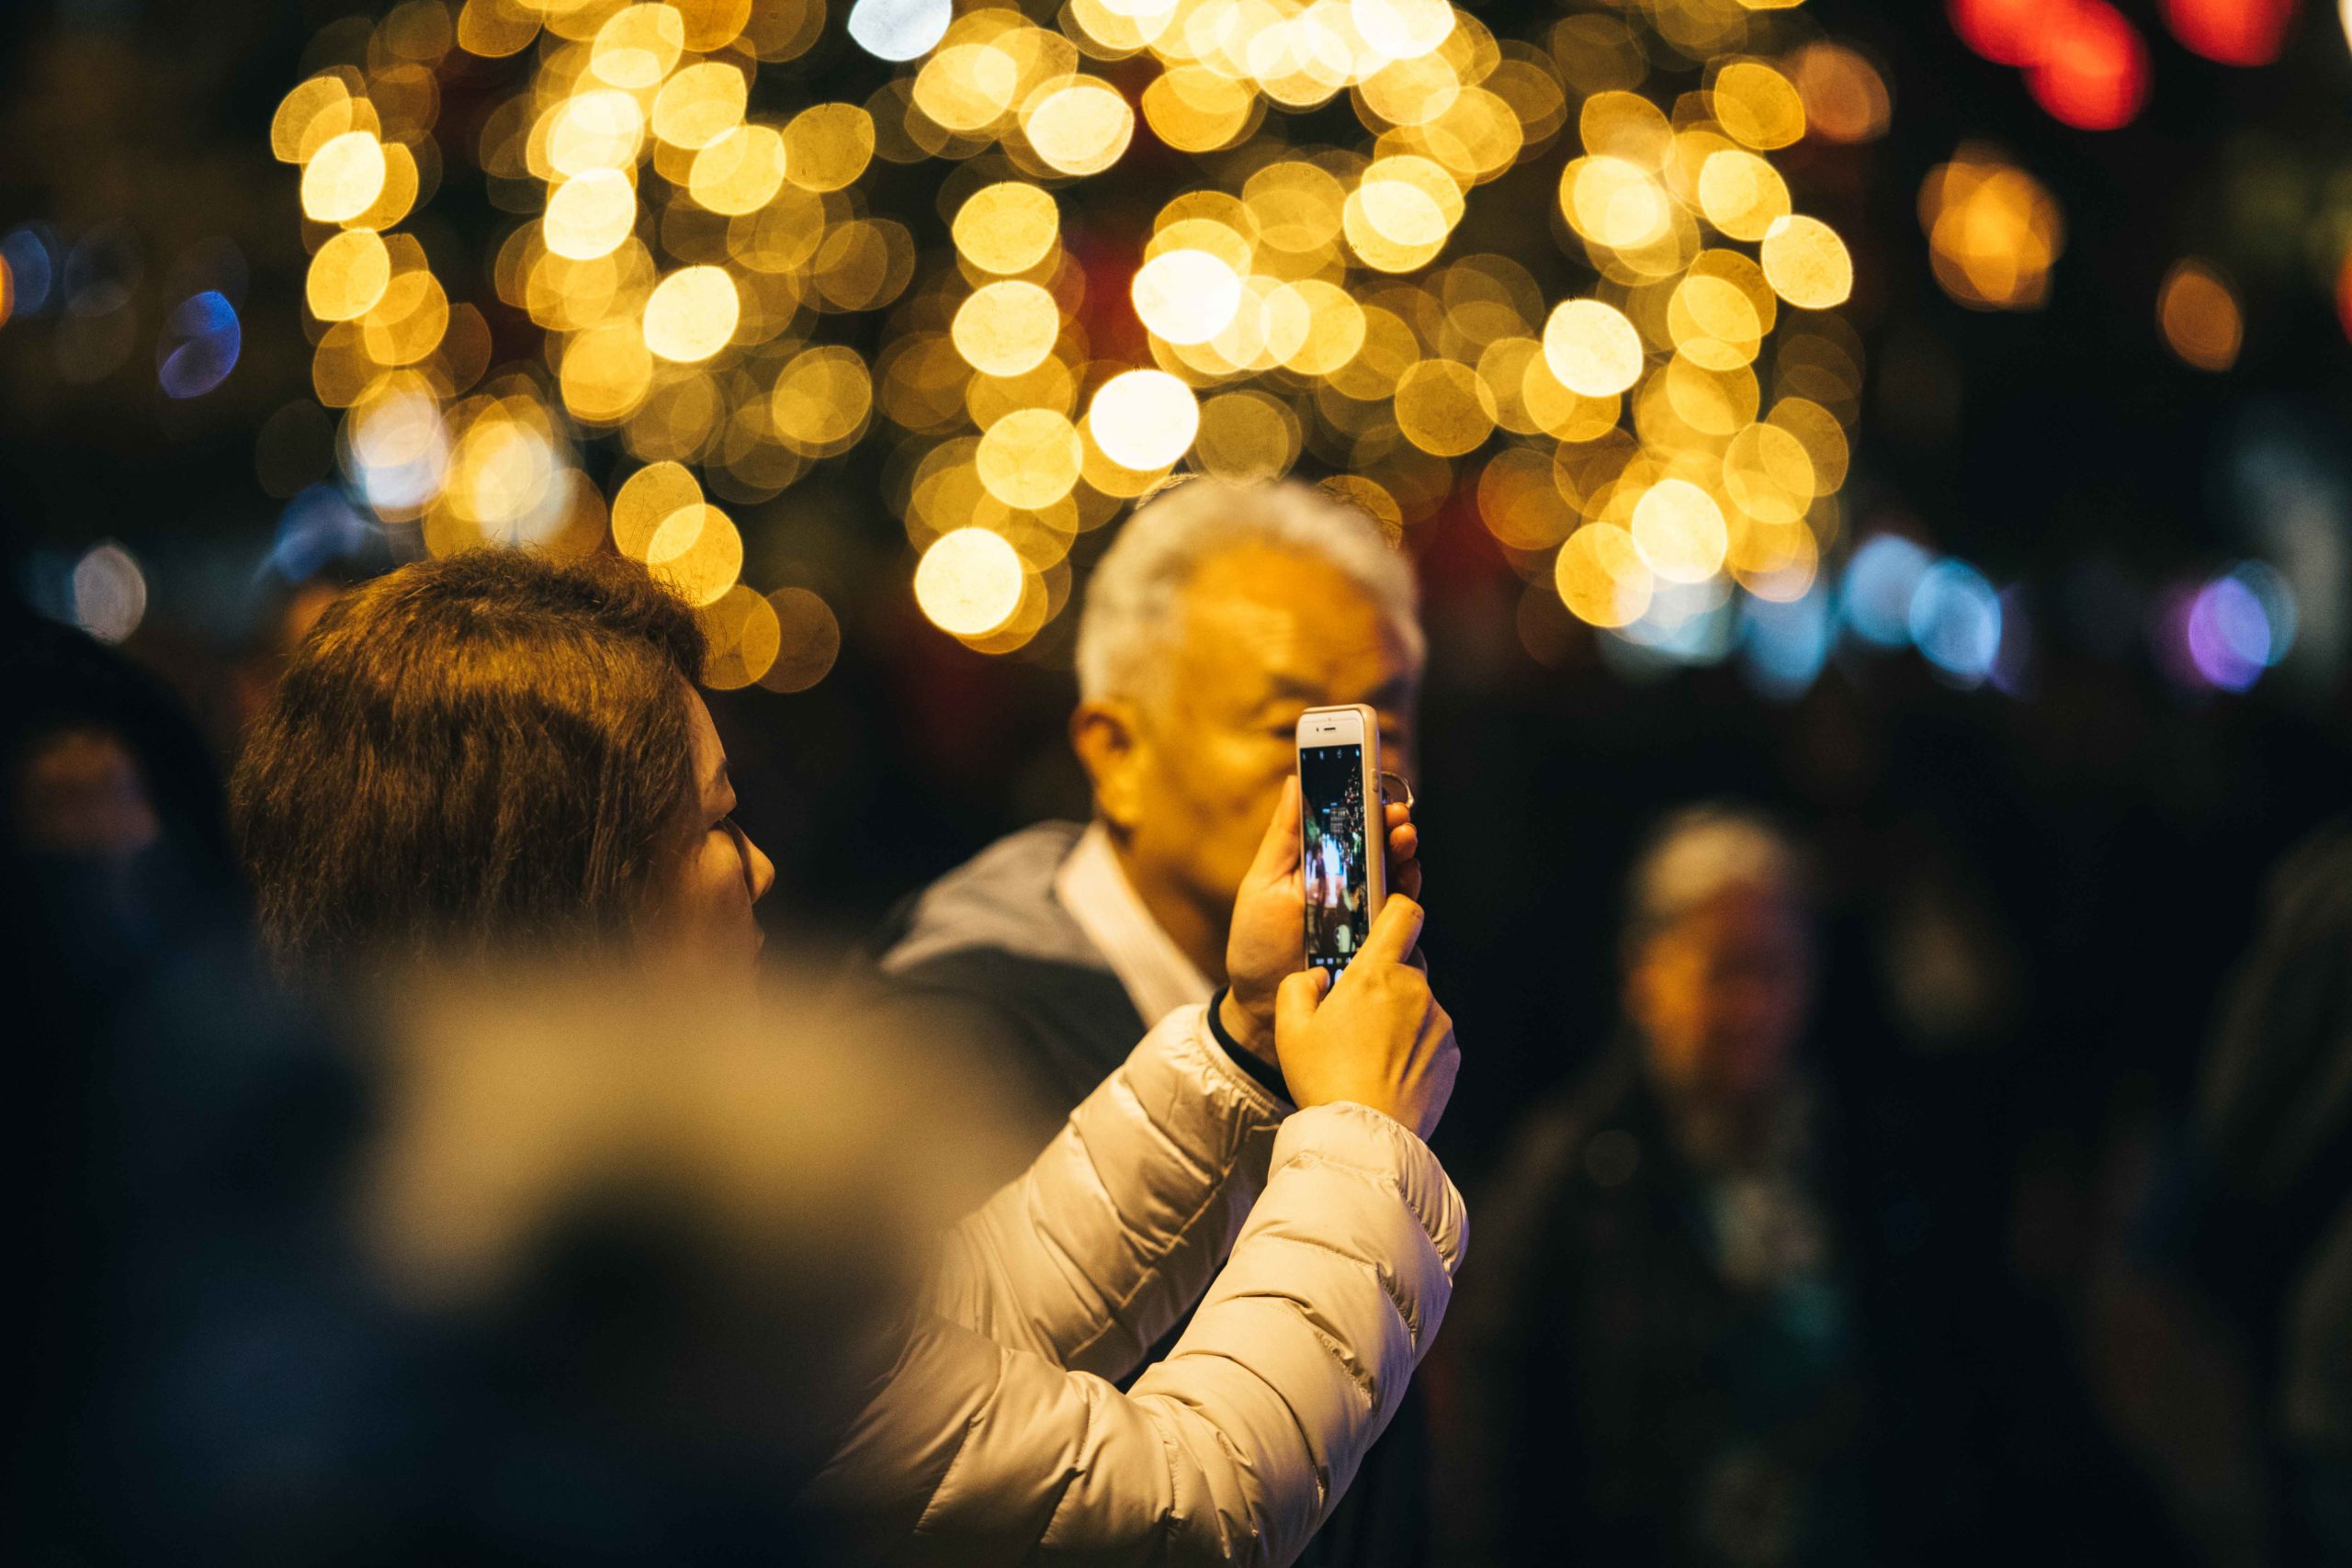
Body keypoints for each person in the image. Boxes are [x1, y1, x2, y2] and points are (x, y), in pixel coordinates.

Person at [231, 547, 1467, 1564]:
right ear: (578, 885)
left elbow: (949, 1323)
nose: (759, 866)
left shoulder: (401, 1165)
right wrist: (1362, 1136)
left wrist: (1240, 1042)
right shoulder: (627, 1276)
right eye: (716, 825)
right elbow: (1185, 1500)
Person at [860, 477, 1431, 1566]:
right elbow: (1177, 1500)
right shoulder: (940, 1052)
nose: (1353, 787)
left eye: (1385, 722)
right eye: (1297, 729)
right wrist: (1365, 1136)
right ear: (1115, 754)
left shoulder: (1349, 1005)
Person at [1439, 806, 1870, 1568]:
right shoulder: (1572, 1173)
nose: (1754, 1009)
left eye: (1777, 970)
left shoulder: (1848, 1146)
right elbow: (1500, 1435)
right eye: (1725, 970)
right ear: (1645, 974)